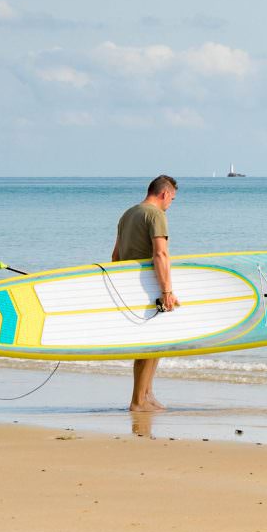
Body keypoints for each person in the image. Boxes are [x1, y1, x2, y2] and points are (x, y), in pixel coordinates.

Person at [113, 174, 179, 411]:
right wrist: (167, 290)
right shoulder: (156, 214)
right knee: (150, 343)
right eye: (172, 199)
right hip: (147, 284)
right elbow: (160, 254)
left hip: (129, 284)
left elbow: (115, 257)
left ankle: (147, 394)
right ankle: (138, 401)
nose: (170, 204)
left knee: (155, 341)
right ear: (165, 194)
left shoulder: (128, 214)